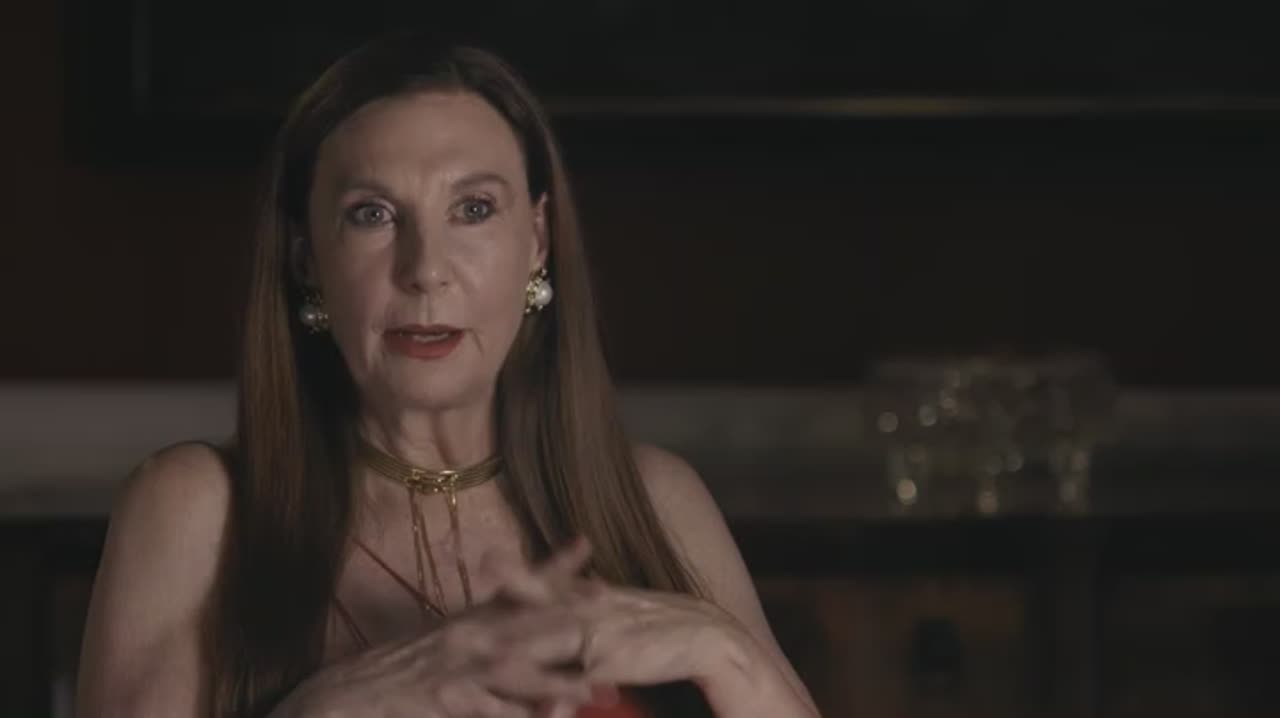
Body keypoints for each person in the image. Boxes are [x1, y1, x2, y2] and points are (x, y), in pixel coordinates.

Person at [76, 32, 819, 718]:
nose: (426, 269)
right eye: (372, 214)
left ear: (536, 240)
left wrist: (725, 650)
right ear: (307, 260)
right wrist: (328, 706)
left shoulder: (657, 498)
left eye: (473, 208)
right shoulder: (197, 508)